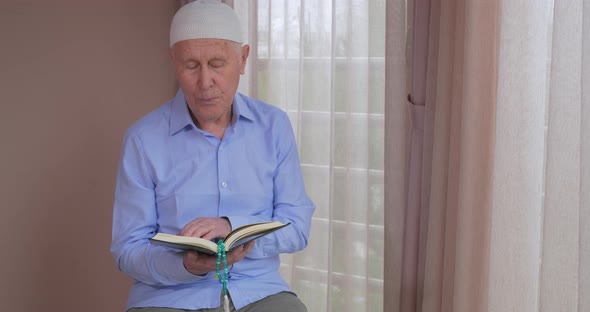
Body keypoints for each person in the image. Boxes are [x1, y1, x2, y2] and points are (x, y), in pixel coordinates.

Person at [110, 1, 315, 311]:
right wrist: (187, 267)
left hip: (259, 291)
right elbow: (127, 250)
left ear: (243, 59)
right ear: (173, 61)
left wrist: (234, 228)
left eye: (218, 64)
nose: (205, 83)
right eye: (191, 65)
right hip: (168, 297)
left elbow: (297, 226)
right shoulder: (142, 139)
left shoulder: (274, 126)